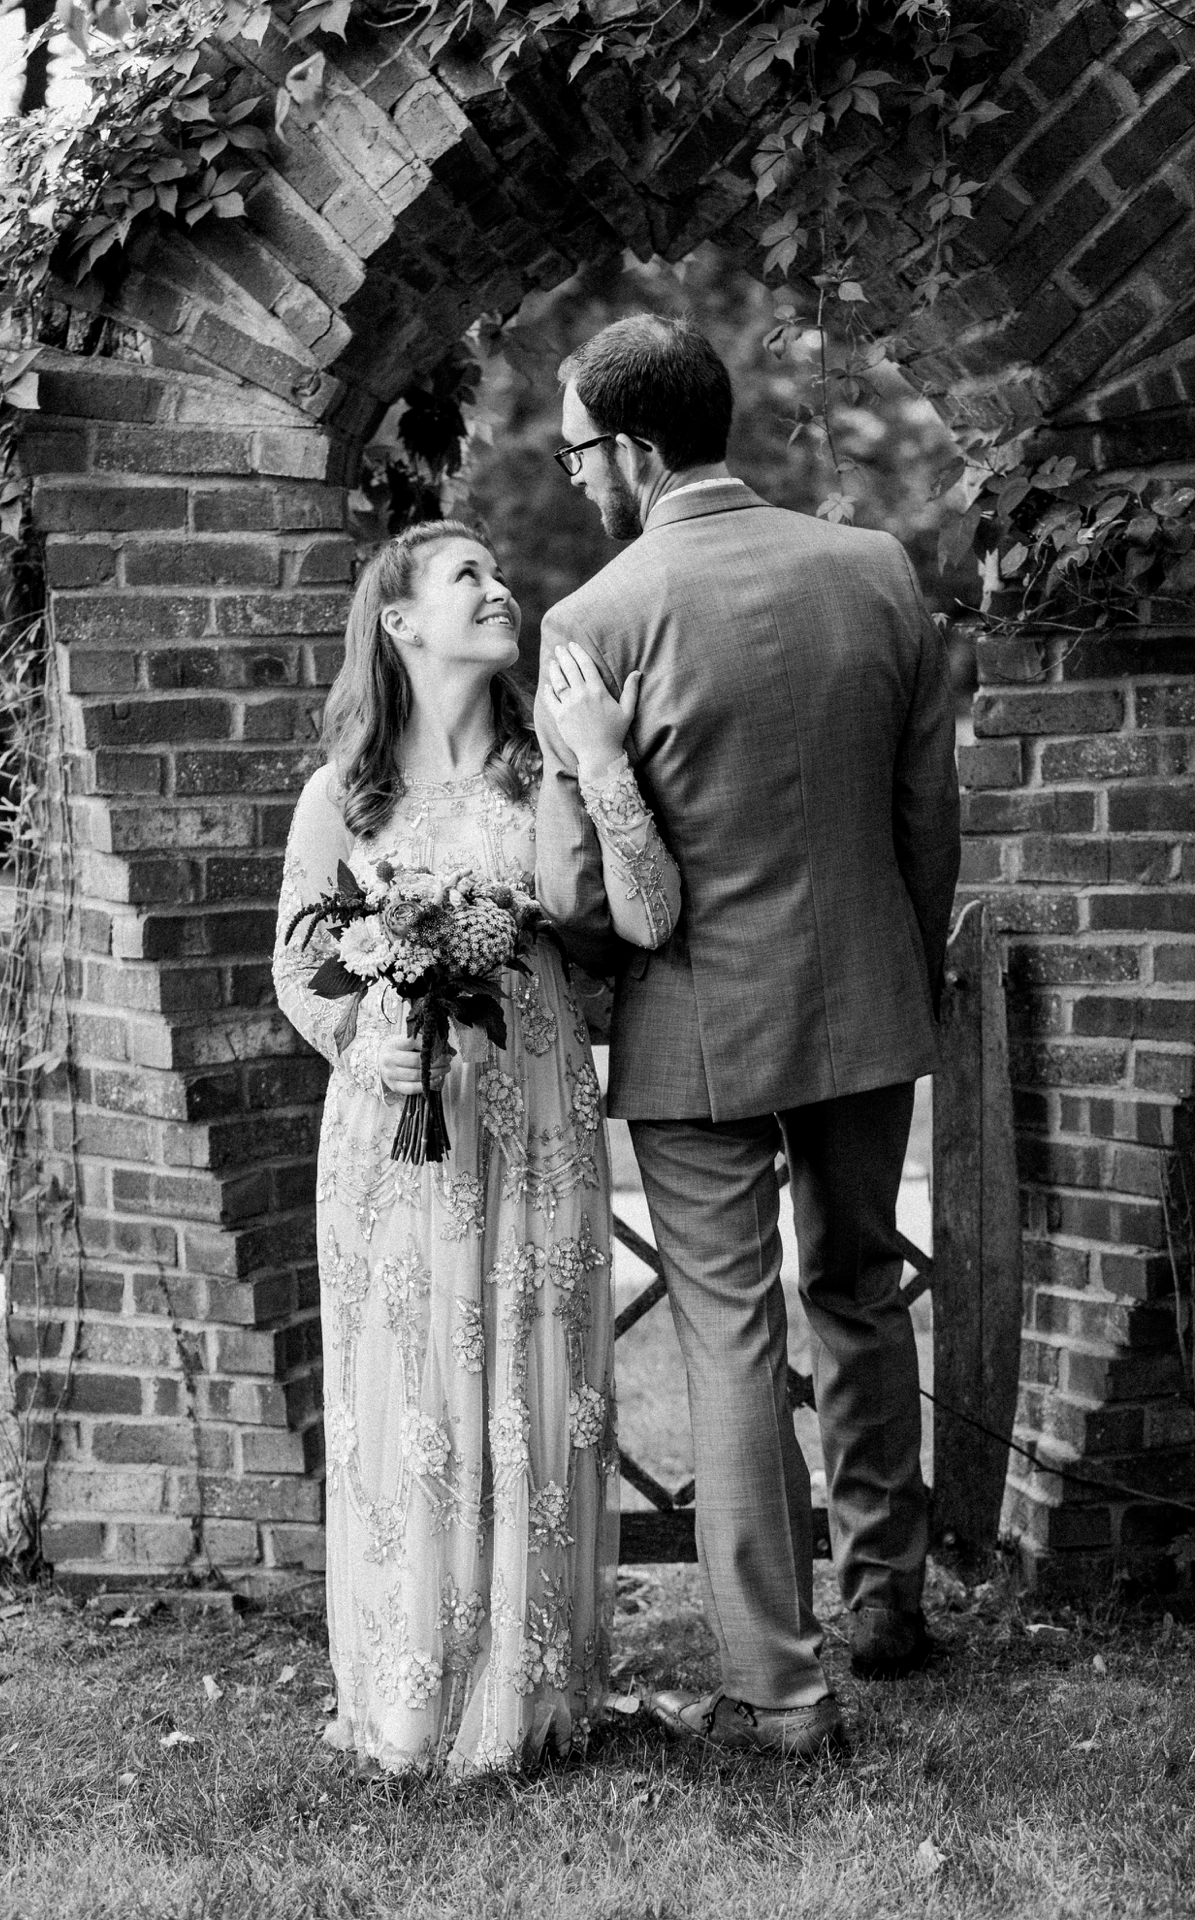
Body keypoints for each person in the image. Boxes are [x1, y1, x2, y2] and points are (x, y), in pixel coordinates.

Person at [534, 314, 961, 1759]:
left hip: (697, 1021)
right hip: (867, 996)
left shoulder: (596, 622)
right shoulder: (877, 569)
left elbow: (578, 895)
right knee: (859, 1289)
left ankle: (777, 1688)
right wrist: (900, 968)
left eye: (578, 452)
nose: (576, 477)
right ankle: (888, 1601)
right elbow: (927, 815)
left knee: (729, 1333)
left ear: (635, 448)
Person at [272, 519, 680, 1777]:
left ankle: (528, 1688)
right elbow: (296, 967)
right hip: (402, 1132)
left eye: (501, 573)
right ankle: (413, 1691)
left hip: (539, 1114)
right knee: (417, 1402)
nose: (502, 591)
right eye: (470, 578)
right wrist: (363, 1042)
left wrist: (600, 767)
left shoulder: (543, 764)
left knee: (538, 1382)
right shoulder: (341, 795)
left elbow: (643, 913)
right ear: (400, 623)